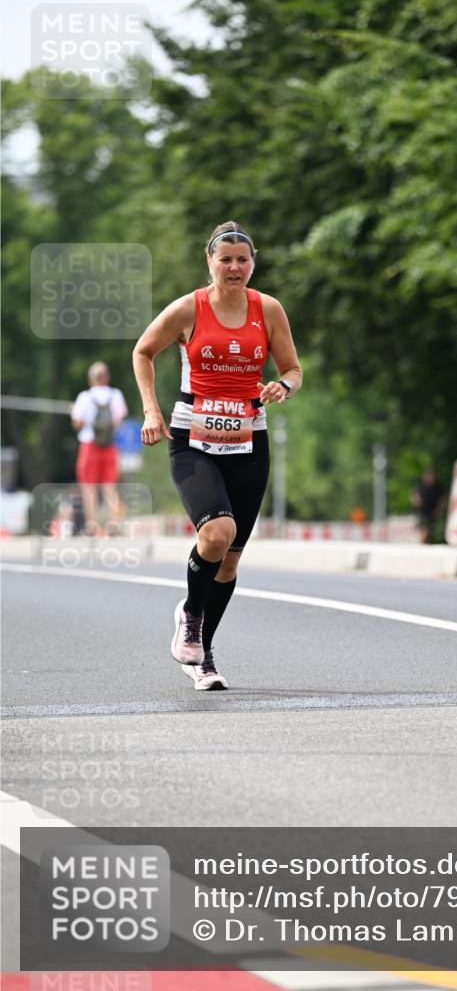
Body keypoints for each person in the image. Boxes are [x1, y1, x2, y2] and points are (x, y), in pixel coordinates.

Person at [132, 221, 302, 690]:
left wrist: (283, 385)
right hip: (193, 440)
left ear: (253, 264)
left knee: (230, 561)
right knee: (217, 533)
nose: (234, 267)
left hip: (249, 440)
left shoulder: (266, 309)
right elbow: (143, 351)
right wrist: (151, 410)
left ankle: (202, 655)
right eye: (225, 259)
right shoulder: (190, 307)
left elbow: (292, 367)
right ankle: (189, 614)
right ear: (209, 261)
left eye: (242, 260)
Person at [71, 362, 128, 535]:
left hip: (89, 444)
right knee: (109, 485)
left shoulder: (84, 397)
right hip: (110, 445)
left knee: (89, 487)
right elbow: (119, 419)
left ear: (90, 379)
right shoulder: (116, 395)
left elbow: (78, 424)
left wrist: (73, 411)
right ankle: (113, 524)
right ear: (107, 377)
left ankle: (92, 525)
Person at [410, 467, 444, 544]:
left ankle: (425, 542)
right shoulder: (421, 485)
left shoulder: (437, 487)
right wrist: (415, 501)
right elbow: (414, 494)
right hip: (422, 511)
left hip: (432, 511)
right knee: (424, 528)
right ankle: (422, 542)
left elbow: (442, 498)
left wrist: (439, 509)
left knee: (429, 529)